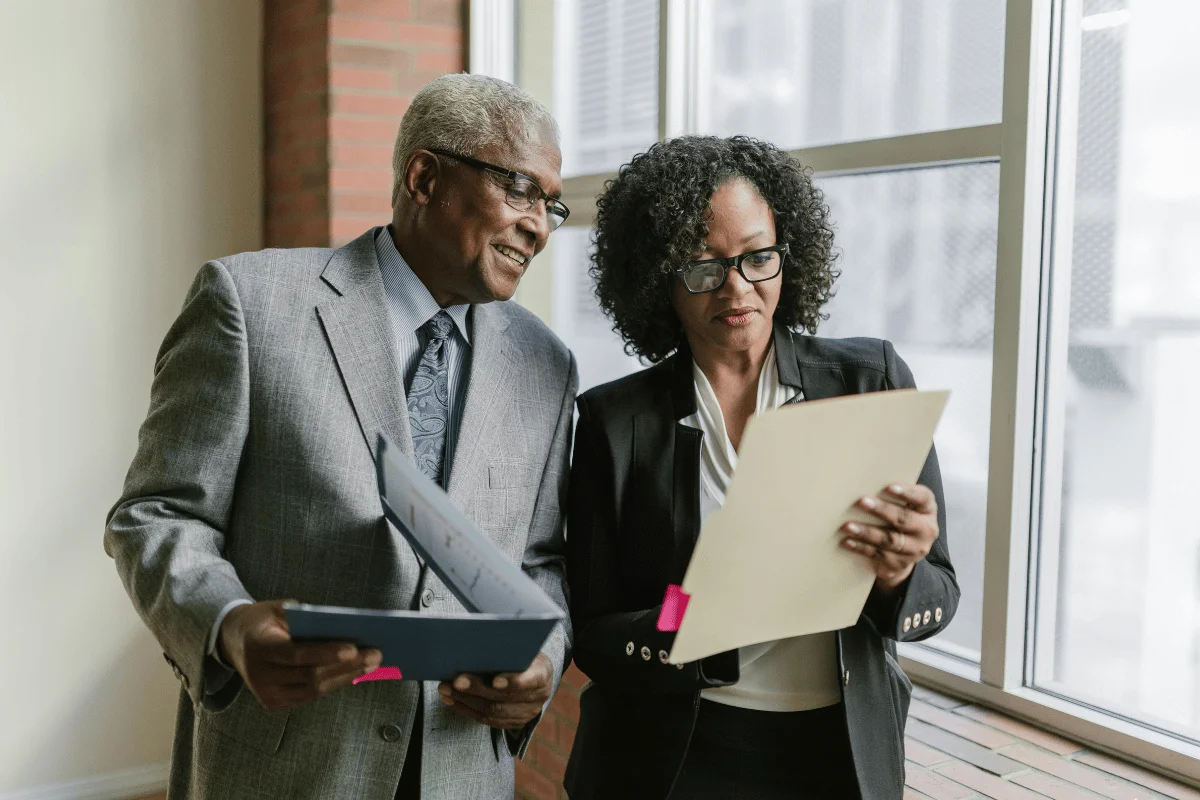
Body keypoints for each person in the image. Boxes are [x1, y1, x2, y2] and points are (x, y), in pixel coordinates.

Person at [104, 73, 577, 800]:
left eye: (551, 205)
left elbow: (542, 561)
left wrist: (542, 663)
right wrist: (229, 625)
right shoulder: (249, 305)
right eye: (520, 190)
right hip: (286, 764)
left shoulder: (548, 363)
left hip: (462, 772)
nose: (539, 226)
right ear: (424, 176)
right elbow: (157, 515)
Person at [562, 135, 959, 800]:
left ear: (787, 254)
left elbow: (939, 592)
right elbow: (596, 631)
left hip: (839, 757)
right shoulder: (616, 421)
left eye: (758, 257)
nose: (738, 287)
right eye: (703, 265)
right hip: (671, 759)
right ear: (659, 275)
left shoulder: (870, 379)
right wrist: (694, 616)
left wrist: (898, 575)